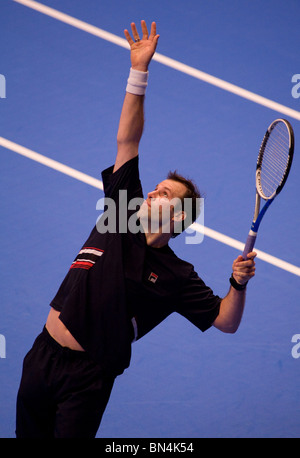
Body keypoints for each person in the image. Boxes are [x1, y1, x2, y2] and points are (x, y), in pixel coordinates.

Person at [16, 21, 256, 438]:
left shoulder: (177, 275)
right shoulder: (120, 212)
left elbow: (225, 321)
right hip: (41, 357)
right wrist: (138, 72)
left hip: (86, 381)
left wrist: (237, 284)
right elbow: (128, 141)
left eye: (163, 194)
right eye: (156, 188)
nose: (151, 194)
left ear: (178, 218)